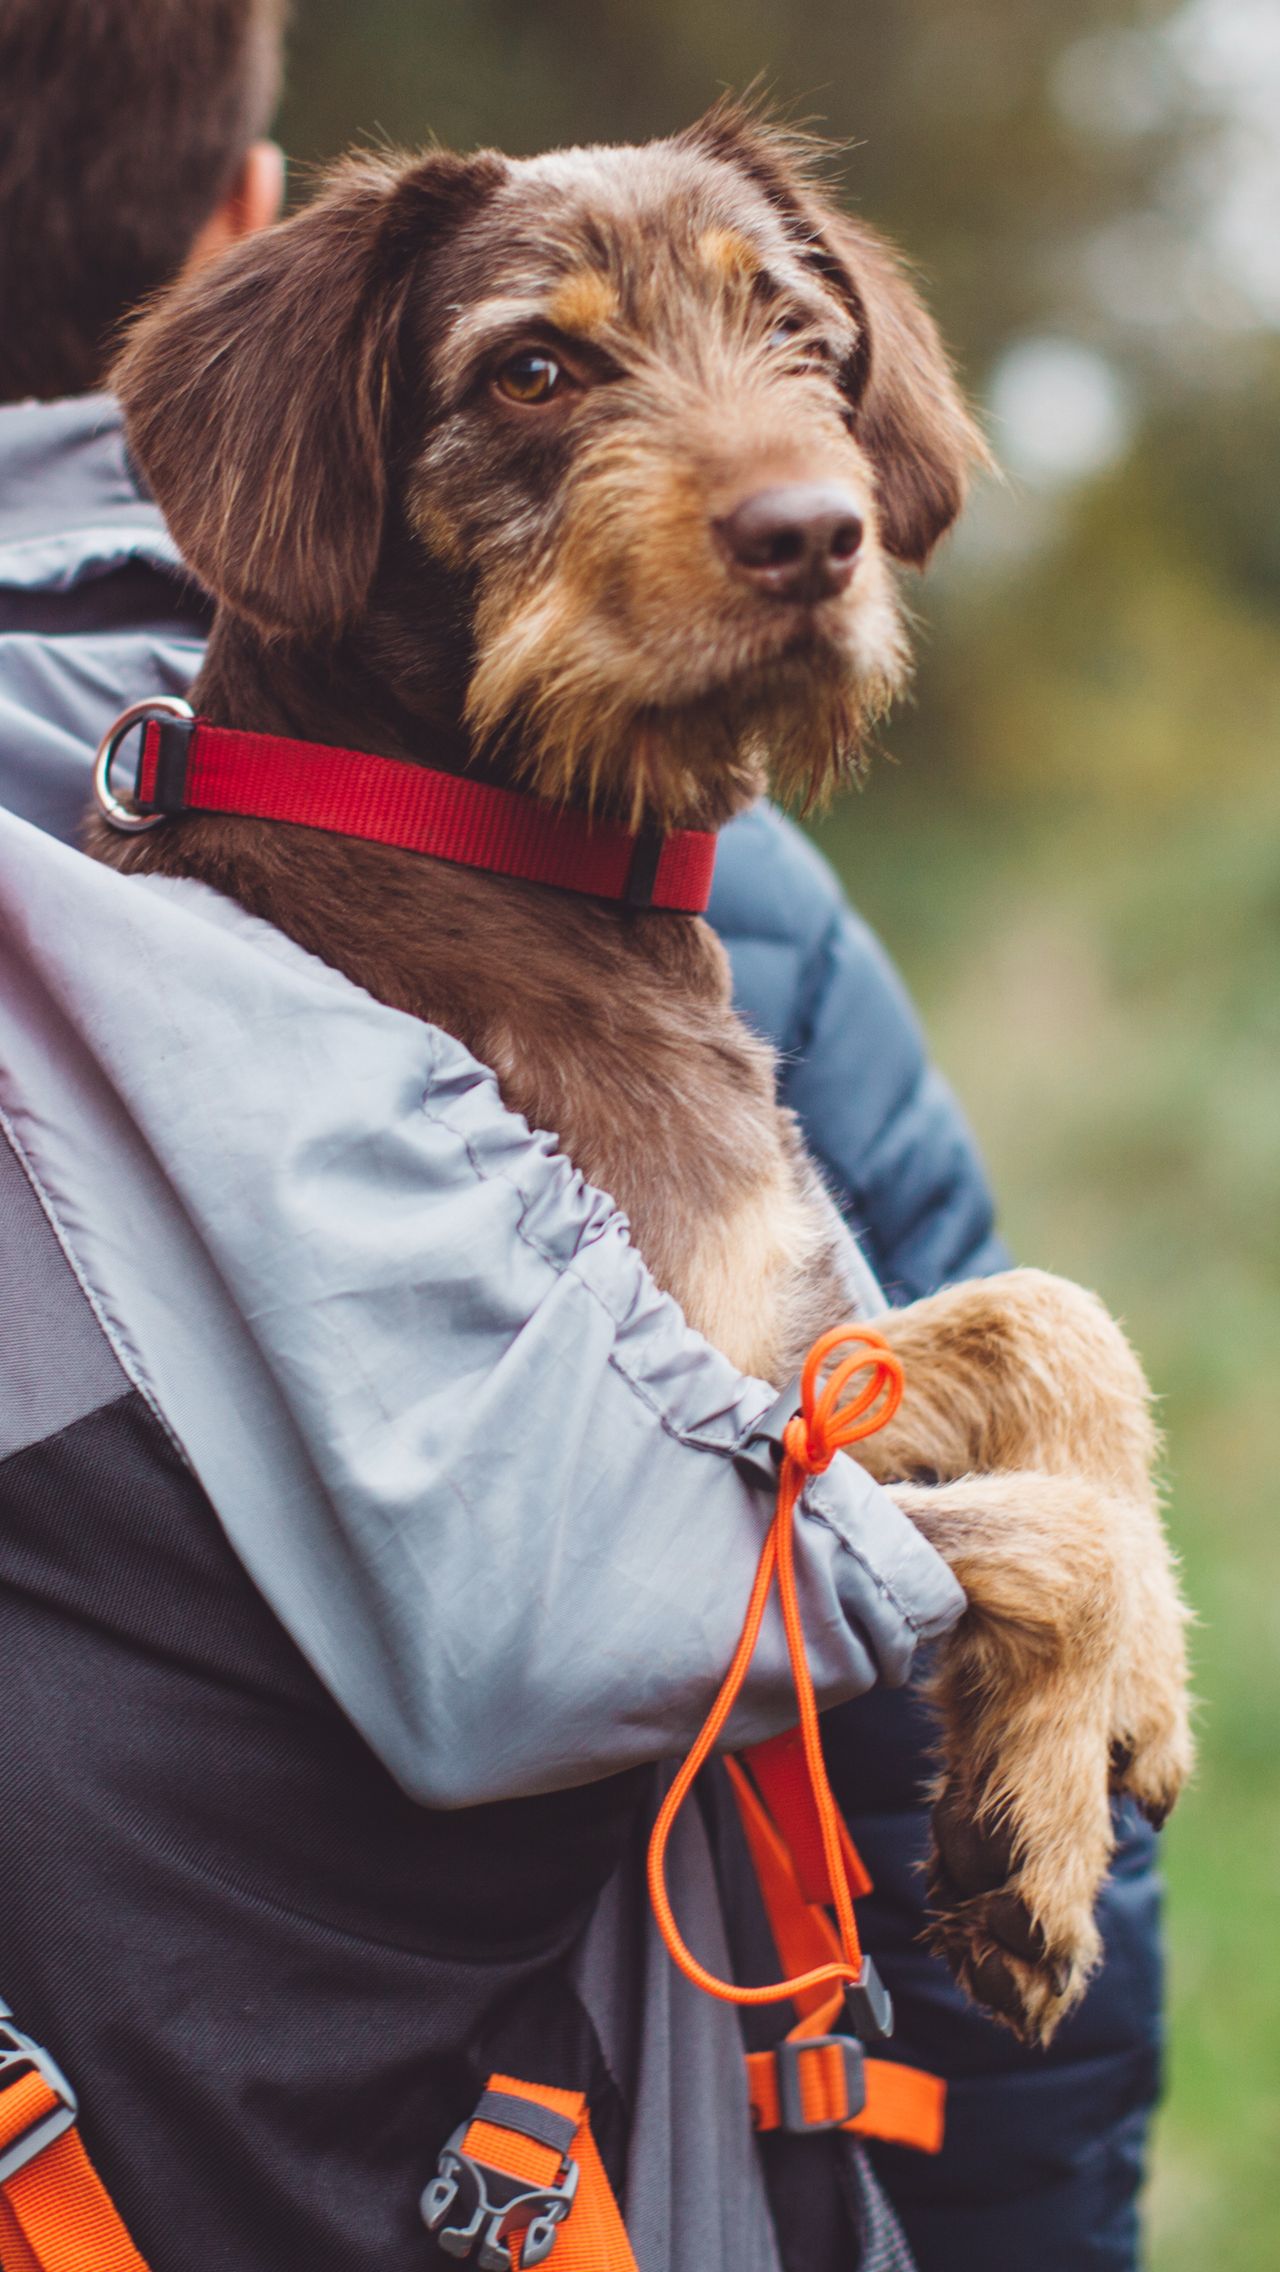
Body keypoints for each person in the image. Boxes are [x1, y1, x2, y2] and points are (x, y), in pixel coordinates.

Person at [0, 5, 1163, 2268]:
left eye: (796, 347)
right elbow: (614, 1577)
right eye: (542, 375)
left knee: (1048, 1366)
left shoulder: (678, 916)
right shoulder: (263, 978)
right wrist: (1048, 1556)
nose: (792, 480)